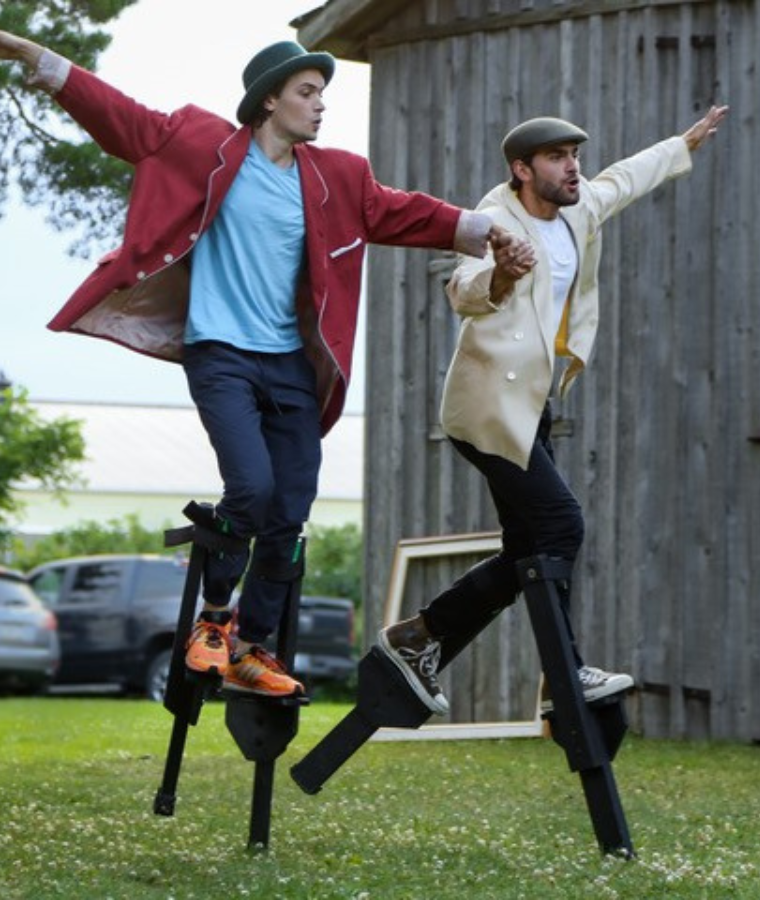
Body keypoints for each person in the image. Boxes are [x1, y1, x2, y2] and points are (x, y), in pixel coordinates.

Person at [0, 31, 523, 698]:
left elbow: (402, 212)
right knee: (249, 488)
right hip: (220, 353)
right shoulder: (200, 143)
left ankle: (254, 649)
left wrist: (487, 231)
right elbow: (118, 116)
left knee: (289, 509)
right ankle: (214, 619)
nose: (319, 105)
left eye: (322, 95)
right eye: (307, 93)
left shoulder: (337, 176)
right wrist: (31, 56)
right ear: (269, 98)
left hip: (290, 366)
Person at [374, 106, 728, 714]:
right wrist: (503, 279)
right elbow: (462, 288)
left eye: (575, 156)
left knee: (528, 551)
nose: (574, 168)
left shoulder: (579, 205)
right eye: (558, 158)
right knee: (561, 525)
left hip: (532, 402)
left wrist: (681, 144)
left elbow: (624, 179)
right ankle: (560, 674)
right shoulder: (493, 218)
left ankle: (425, 639)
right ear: (521, 169)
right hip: (487, 406)